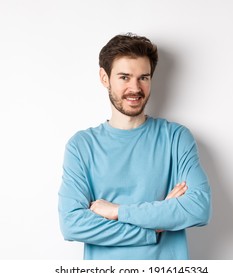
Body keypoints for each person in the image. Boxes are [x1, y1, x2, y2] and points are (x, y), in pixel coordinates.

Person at [58, 33, 211, 260]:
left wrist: (117, 211)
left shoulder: (176, 138)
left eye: (143, 78)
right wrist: (153, 228)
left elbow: (198, 208)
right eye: (124, 77)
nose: (135, 88)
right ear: (104, 78)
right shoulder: (82, 146)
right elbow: (72, 224)